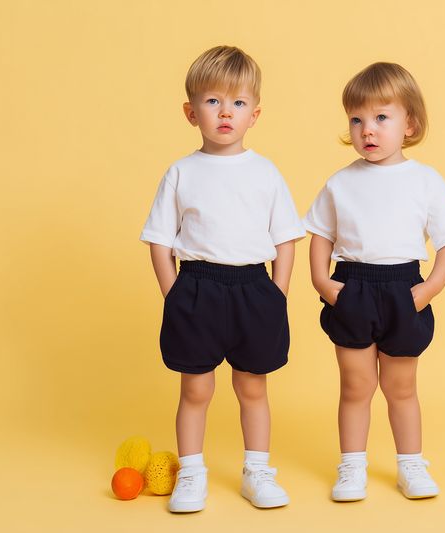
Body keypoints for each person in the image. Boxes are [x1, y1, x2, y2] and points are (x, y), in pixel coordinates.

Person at [140, 45, 305, 512]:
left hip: (255, 288)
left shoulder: (266, 173)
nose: (225, 113)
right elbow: (159, 238)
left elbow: (286, 238)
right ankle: (191, 474)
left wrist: (278, 293)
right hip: (196, 287)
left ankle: (257, 472)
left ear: (255, 113)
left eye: (237, 103)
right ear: (191, 113)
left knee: (253, 385)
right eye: (213, 102)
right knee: (196, 387)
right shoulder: (181, 172)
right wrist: (174, 294)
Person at [303, 62, 445, 501]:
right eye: (357, 120)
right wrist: (323, 281)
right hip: (352, 287)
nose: (367, 130)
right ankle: (351, 467)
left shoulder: (425, 181)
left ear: (409, 123)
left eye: (381, 117)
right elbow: (320, 233)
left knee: (401, 386)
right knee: (356, 384)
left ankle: (411, 464)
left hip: (404, 290)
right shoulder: (341, 182)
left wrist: (428, 289)